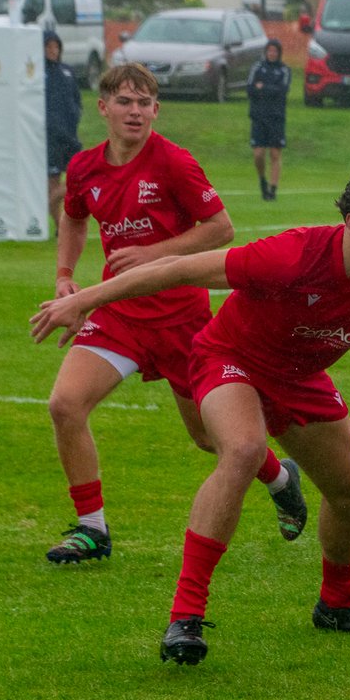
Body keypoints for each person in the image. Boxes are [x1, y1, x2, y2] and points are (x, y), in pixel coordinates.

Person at [31, 166, 350, 665]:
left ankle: (338, 602)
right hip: (230, 356)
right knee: (242, 449)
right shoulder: (293, 255)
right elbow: (178, 270)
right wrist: (85, 300)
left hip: (299, 377)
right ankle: (186, 617)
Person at [42, 64, 307, 566]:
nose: (135, 111)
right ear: (103, 108)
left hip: (182, 322)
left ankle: (280, 478)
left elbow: (221, 229)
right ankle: (92, 529)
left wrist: (155, 254)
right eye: (124, 101)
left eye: (144, 103)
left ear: (156, 110)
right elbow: (73, 216)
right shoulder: (84, 168)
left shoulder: (174, 163)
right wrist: (64, 275)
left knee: (210, 438)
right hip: (117, 312)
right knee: (65, 404)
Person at [44, 30, 83, 235]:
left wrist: (76, 115)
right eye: (48, 47)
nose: (53, 50)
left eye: (56, 46)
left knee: (80, 179)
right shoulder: (37, 73)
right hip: (50, 138)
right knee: (52, 182)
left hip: (70, 136)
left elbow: (76, 99)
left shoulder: (67, 70)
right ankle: (60, 227)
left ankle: (60, 218)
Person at [247, 39, 291, 201]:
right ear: (266, 52)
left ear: (279, 53)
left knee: (274, 154)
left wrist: (263, 87)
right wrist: (269, 89)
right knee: (258, 154)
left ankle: (273, 189)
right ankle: (262, 180)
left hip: (276, 118)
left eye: (275, 51)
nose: (272, 54)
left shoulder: (284, 70)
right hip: (258, 117)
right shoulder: (257, 68)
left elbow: (282, 91)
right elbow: (250, 89)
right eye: (269, 51)